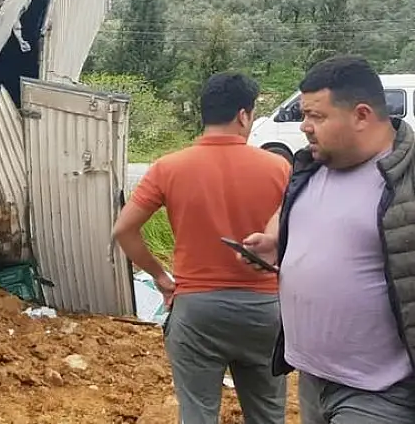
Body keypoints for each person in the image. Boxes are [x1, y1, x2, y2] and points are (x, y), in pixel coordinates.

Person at [242, 55, 415, 422]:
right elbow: (293, 211)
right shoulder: (312, 166)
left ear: (362, 115)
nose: (304, 127)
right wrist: (275, 239)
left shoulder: (406, 180)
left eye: (316, 116)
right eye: (304, 116)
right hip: (312, 379)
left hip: (380, 391)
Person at [113, 71, 291, 424]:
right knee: (269, 415)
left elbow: (124, 230)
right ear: (243, 115)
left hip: (197, 312)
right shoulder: (279, 167)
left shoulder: (168, 168)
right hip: (264, 313)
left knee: (197, 414)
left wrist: (161, 278)